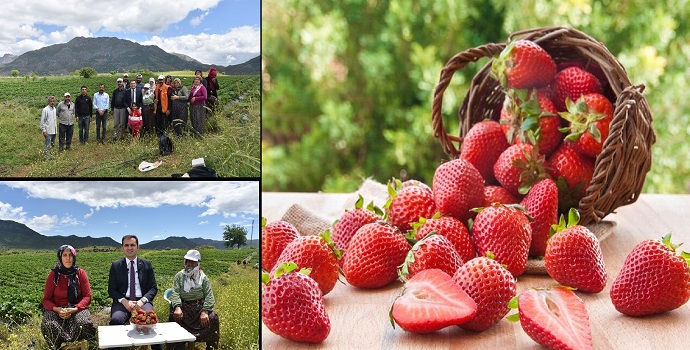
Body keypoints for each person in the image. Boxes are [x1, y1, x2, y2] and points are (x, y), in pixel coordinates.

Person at [108, 235, 162, 350]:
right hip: (122, 302)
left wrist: (142, 301)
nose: (129, 248)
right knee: (116, 320)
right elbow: (111, 289)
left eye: (132, 245)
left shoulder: (146, 264)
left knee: (150, 320)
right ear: (122, 248)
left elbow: (153, 288)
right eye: (126, 245)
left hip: (142, 301)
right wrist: (124, 301)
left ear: (138, 247)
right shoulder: (116, 265)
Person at [41, 245, 96, 349]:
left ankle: (84, 345)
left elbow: (87, 297)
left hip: (76, 308)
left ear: (74, 257)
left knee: (84, 323)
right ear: (60, 257)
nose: (68, 258)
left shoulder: (80, 273)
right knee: (49, 325)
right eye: (65, 255)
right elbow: (46, 300)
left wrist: (75, 308)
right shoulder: (53, 275)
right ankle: (56, 347)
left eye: (70, 255)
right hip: (57, 309)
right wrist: (57, 309)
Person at [169, 250, 220, 350]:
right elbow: (175, 293)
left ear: (198, 263)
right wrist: (177, 307)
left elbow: (209, 296)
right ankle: (178, 346)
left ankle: (211, 347)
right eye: (188, 261)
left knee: (213, 318)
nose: (190, 264)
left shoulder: (203, 278)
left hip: (199, 308)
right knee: (173, 317)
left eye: (193, 262)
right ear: (185, 262)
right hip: (184, 307)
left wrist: (205, 311)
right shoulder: (179, 276)